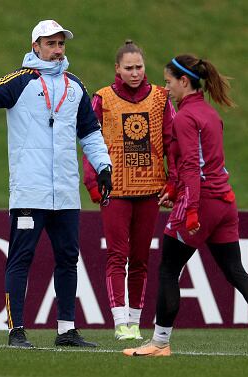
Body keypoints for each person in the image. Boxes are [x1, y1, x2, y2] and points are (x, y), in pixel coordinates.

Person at [123, 54, 248, 357]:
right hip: (225, 201)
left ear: (184, 81)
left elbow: (191, 167)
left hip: (203, 203)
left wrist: (191, 209)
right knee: (235, 270)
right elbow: (207, 162)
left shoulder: (185, 117)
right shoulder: (210, 113)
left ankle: (160, 343)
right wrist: (173, 189)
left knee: (169, 269)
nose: (166, 87)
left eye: (169, 81)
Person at [0, 19, 112, 348]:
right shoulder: (21, 81)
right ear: (35, 47)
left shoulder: (75, 86)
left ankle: (66, 329)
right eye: (50, 44)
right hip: (29, 192)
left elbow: (90, 133)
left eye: (61, 44)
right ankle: (16, 330)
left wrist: (104, 166)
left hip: (65, 194)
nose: (57, 50)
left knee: (67, 259)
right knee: (21, 259)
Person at [82, 40, 176, 341]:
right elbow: (88, 141)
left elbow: (173, 143)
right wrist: (94, 183)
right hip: (116, 190)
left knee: (140, 260)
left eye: (139, 67)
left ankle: (135, 321)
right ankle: (120, 320)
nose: (135, 73)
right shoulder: (102, 99)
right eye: (129, 68)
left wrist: (172, 183)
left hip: (149, 189)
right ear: (117, 69)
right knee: (116, 256)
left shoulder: (161, 99)